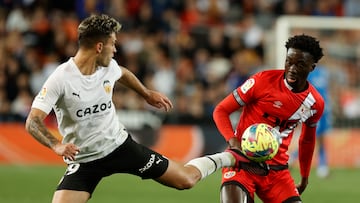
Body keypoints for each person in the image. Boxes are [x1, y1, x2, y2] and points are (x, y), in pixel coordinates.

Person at [25, 14, 236, 203]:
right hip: (85, 160)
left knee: (185, 180)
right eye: (113, 44)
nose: (115, 50)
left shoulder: (108, 67)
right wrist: (56, 145)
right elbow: (32, 121)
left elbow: (123, 73)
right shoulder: (60, 79)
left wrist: (147, 94)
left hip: (120, 147)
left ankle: (229, 157)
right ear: (99, 47)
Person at [213, 34, 325, 203]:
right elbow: (221, 110)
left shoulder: (315, 103)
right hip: (242, 163)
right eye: (289, 61)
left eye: (300, 64)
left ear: (312, 67)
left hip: (277, 173)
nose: (292, 68)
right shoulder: (262, 81)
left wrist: (304, 175)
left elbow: (307, 140)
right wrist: (233, 141)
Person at [290, 65, 332, 178]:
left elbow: (326, 90)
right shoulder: (307, 73)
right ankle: (292, 158)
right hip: (313, 110)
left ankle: (322, 166)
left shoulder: (324, 72)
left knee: (321, 139)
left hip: (325, 110)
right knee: (313, 139)